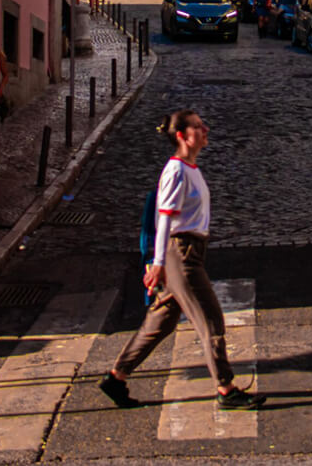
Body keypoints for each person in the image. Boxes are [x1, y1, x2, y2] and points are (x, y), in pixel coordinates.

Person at [98, 111, 264, 410]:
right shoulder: (176, 171)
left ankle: (116, 377)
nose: (205, 129)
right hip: (182, 256)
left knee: (161, 321)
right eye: (198, 127)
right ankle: (226, 389)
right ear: (182, 135)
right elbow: (164, 219)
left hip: (190, 252)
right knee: (210, 319)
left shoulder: (191, 169)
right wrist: (158, 262)